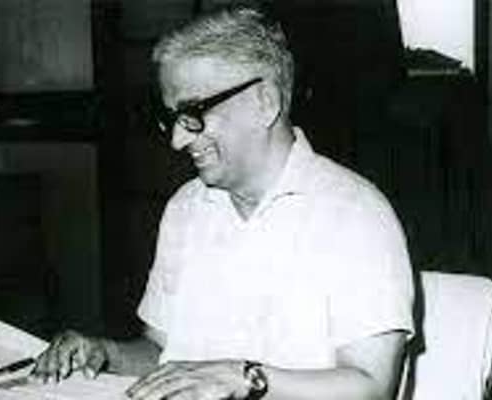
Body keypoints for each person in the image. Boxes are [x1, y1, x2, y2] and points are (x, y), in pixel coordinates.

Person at [32, 5, 414, 400]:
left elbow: (372, 388)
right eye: (172, 117)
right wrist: (105, 354)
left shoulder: (354, 215)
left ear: (265, 101)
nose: (178, 140)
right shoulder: (187, 207)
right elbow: (164, 353)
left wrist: (243, 377)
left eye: (193, 112)